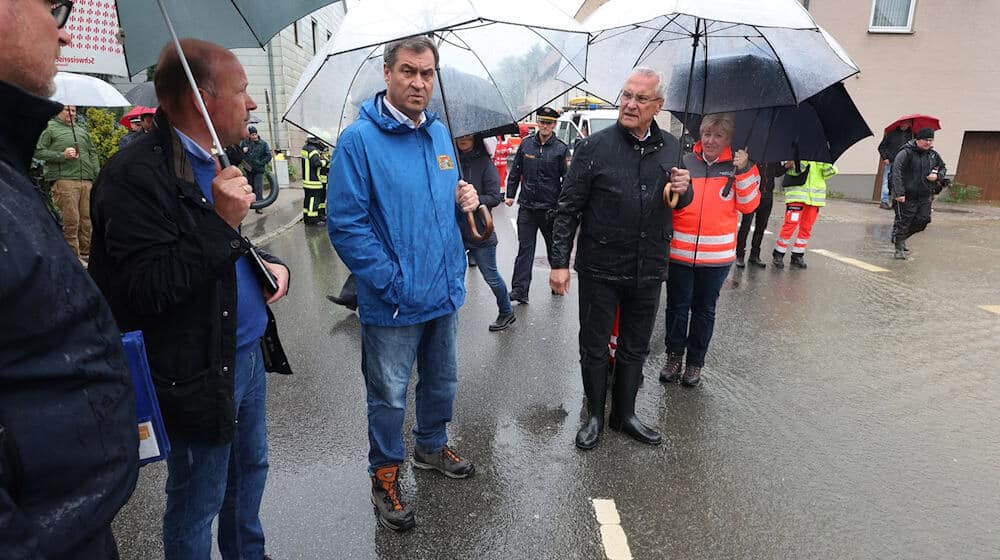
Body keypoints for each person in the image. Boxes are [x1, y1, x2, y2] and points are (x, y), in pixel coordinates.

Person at [88, 39, 292, 559]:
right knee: (197, 500)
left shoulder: (220, 160)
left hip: (245, 357)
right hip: (195, 371)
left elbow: (217, 253)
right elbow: (143, 290)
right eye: (242, 91)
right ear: (202, 99)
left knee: (249, 479)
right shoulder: (132, 176)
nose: (250, 103)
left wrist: (263, 268)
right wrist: (221, 222)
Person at [0, 1, 138, 557]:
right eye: (49, 4)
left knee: (74, 241)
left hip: (68, 524)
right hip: (45, 538)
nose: (62, 30)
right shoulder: (56, 135)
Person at [327, 36, 480, 532]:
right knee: (389, 397)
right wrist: (392, 281)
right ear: (387, 73)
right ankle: (385, 473)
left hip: (443, 292)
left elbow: (442, 201)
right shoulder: (358, 141)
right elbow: (346, 225)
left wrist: (464, 195)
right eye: (409, 71)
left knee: (442, 382)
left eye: (428, 73)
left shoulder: (439, 135)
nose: (419, 82)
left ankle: (431, 448)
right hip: (393, 302)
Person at [549, 67, 692, 450]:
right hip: (600, 266)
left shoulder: (675, 148)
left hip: (648, 267)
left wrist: (686, 188)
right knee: (594, 345)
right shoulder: (594, 147)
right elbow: (567, 209)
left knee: (635, 345)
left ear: (657, 106)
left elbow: (680, 201)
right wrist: (559, 262)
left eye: (640, 98)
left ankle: (623, 414)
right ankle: (595, 413)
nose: (629, 104)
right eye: (626, 95)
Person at [660, 112, 760, 387]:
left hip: (715, 258)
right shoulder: (686, 162)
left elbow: (749, 205)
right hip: (680, 251)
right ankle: (673, 357)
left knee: (704, 310)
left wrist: (743, 171)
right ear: (699, 135)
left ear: (728, 138)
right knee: (677, 307)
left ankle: (694, 363)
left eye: (718, 135)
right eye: (707, 134)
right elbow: (671, 200)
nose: (711, 140)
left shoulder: (739, 166)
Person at [505, 106, 569, 303]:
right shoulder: (526, 145)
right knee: (525, 249)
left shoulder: (560, 148)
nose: (545, 126)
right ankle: (519, 290)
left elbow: (566, 180)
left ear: (554, 125)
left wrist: (564, 206)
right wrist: (510, 195)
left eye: (549, 123)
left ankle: (557, 282)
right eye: (542, 122)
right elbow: (516, 171)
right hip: (527, 207)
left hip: (550, 209)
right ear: (538, 123)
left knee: (553, 249)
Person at [456, 133, 516, 331]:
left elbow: (494, 196)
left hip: (480, 230)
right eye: (459, 135)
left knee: (491, 276)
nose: (462, 139)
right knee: (452, 275)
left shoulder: (484, 163)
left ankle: (506, 312)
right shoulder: (450, 161)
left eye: (467, 135)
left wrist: (474, 200)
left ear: (475, 138)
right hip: (454, 230)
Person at [34, 103, 100, 259]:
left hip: (86, 181)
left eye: (74, 110)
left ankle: (86, 255)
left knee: (87, 221)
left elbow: (92, 153)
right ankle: (72, 259)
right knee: (71, 221)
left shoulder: (81, 131)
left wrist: (97, 175)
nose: (71, 113)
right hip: (65, 180)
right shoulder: (50, 128)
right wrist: (61, 155)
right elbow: (38, 151)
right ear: (58, 111)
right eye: (67, 110)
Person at [890, 127, 946, 260]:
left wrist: (937, 176)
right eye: (925, 140)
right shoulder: (906, 153)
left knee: (924, 220)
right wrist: (899, 193)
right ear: (918, 140)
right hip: (907, 194)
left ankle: (900, 237)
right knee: (904, 221)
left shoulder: (933, 155)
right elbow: (896, 173)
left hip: (925, 194)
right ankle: (899, 248)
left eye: (930, 140)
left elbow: (942, 167)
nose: (928, 143)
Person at [771, 159, 837, 269]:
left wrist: (829, 164)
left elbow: (827, 174)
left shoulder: (821, 154)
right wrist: (800, 163)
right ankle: (779, 254)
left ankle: (798, 255)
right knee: (790, 225)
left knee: (806, 228)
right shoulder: (797, 150)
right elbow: (792, 171)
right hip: (797, 196)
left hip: (814, 199)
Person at [735, 161, 785, 268]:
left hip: (767, 195)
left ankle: (755, 255)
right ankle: (739, 255)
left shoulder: (773, 156)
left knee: (761, 227)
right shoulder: (753, 155)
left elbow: (777, 172)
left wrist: (786, 167)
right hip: (752, 193)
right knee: (746, 225)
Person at [878, 120, 913, 209]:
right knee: (886, 181)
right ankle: (884, 201)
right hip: (891, 161)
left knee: (901, 181)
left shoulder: (912, 135)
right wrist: (885, 157)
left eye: (908, 123)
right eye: (905, 123)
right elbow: (881, 147)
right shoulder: (891, 133)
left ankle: (897, 202)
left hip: (905, 163)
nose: (906, 125)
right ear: (901, 123)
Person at [241, 125, 272, 214]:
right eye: (252, 135)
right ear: (249, 135)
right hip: (249, 169)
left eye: (255, 134)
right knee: (250, 187)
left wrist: (261, 163)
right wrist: (243, 151)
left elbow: (268, 156)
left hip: (259, 169)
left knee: (258, 188)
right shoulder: (245, 143)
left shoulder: (263, 144)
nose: (254, 136)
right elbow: (239, 155)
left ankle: (259, 206)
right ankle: (251, 204)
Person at [301, 135, 329, 225]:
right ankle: (313, 220)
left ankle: (307, 218)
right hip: (314, 181)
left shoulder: (305, 148)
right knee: (313, 200)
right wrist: (326, 162)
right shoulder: (313, 150)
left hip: (307, 180)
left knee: (307, 200)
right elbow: (316, 163)